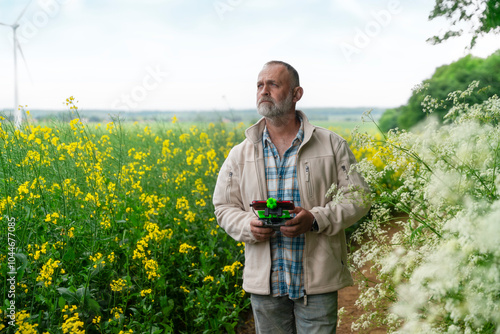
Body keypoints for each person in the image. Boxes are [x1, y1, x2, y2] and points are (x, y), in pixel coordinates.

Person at [212, 60, 371, 333]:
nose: (264, 91)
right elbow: (224, 206)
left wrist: (315, 219)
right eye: (260, 85)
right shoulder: (240, 153)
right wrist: (246, 225)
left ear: (296, 94)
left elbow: (358, 197)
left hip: (317, 280)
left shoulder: (332, 144)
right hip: (266, 283)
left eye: (273, 84)